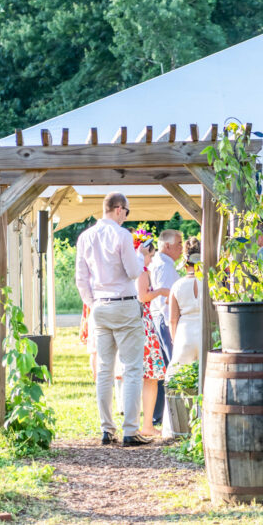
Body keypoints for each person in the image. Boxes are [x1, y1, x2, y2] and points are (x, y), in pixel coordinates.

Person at [75, 192, 152, 447]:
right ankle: (130, 429)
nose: (126, 216)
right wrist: (141, 255)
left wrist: (92, 303)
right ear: (119, 210)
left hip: (100, 306)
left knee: (105, 370)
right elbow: (132, 271)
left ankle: (107, 429)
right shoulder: (122, 236)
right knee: (131, 368)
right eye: (127, 212)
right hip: (124, 304)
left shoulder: (85, 237)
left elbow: (80, 278)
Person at [148, 229, 183, 426]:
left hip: (165, 318)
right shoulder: (163, 266)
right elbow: (164, 301)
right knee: (172, 364)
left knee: (166, 366)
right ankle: (169, 414)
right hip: (166, 319)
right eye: (178, 243)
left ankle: (160, 415)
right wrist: (173, 326)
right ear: (167, 245)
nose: (181, 247)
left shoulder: (165, 264)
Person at [136, 237, 168, 437]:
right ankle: (147, 424)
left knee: (141, 376)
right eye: (150, 255)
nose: (151, 260)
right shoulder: (142, 273)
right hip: (144, 323)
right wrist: (161, 291)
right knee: (151, 376)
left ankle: (142, 423)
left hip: (134, 322)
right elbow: (143, 296)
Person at [168, 239, 202, 376]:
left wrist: (175, 340)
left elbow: (172, 319)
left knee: (179, 378)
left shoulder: (177, 285)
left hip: (184, 333)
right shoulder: (210, 283)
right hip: (205, 331)